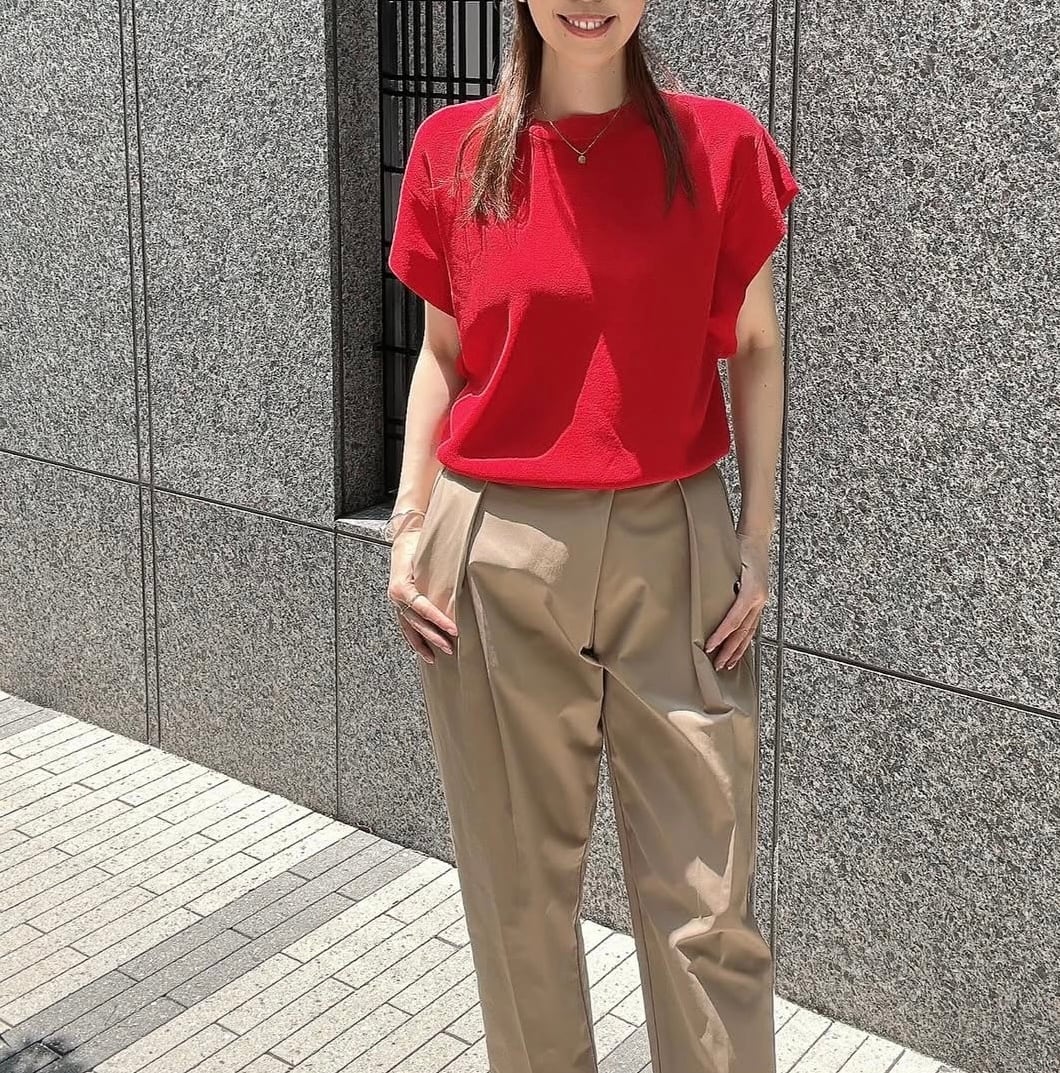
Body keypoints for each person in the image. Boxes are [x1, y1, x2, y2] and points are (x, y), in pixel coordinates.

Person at [383, 2, 800, 1070]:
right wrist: (409, 522)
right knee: (518, 898)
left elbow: (756, 344)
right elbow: (442, 355)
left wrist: (756, 537)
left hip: (677, 544)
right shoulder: (453, 151)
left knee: (709, 907)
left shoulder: (719, 147)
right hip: (494, 545)